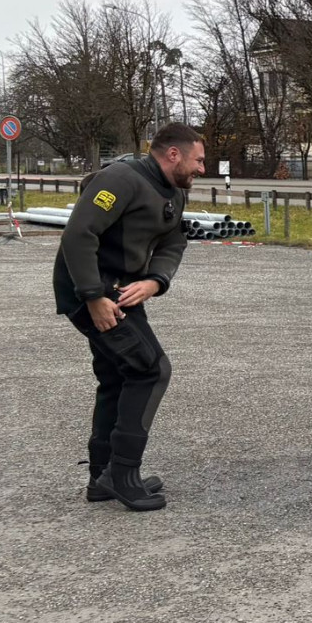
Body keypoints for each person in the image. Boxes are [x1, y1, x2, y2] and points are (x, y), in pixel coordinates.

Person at [54, 123, 205, 511]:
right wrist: (93, 297)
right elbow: (78, 235)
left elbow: (173, 241)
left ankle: (101, 477)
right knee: (150, 369)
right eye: (199, 160)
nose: (202, 168)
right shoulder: (120, 179)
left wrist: (155, 281)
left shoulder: (174, 191)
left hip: (122, 293)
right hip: (91, 291)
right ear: (173, 154)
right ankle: (122, 474)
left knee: (117, 376)